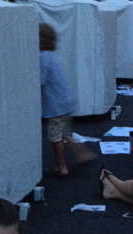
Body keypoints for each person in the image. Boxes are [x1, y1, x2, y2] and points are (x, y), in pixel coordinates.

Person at [39, 23, 96, 177]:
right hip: (66, 101)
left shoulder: (42, 57)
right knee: (65, 133)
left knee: (55, 136)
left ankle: (62, 166)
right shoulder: (53, 55)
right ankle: (82, 153)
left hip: (55, 105)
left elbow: (40, 80)